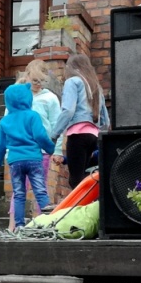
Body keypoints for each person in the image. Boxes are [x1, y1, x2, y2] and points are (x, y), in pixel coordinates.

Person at [0, 84, 56, 229]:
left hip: (15, 161)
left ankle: (19, 225)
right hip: (34, 159)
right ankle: (49, 223)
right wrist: (50, 148)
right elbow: (40, 135)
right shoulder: (33, 116)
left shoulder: (5, 121)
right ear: (27, 99)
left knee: (19, 194)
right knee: (40, 191)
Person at [7, 60, 62, 226]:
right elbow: (7, 121)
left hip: (41, 152)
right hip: (17, 151)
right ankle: (13, 227)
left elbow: (57, 125)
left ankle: (41, 225)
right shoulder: (16, 95)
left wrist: (57, 150)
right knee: (18, 191)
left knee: (40, 189)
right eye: (35, 80)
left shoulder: (50, 98)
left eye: (42, 81)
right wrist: (7, 150)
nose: (38, 84)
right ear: (27, 74)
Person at [50, 53, 110, 190]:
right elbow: (105, 118)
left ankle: (80, 210)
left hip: (78, 135)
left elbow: (68, 111)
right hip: (94, 136)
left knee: (75, 181)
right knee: (86, 177)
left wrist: (54, 135)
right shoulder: (96, 87)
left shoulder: (72, 82)